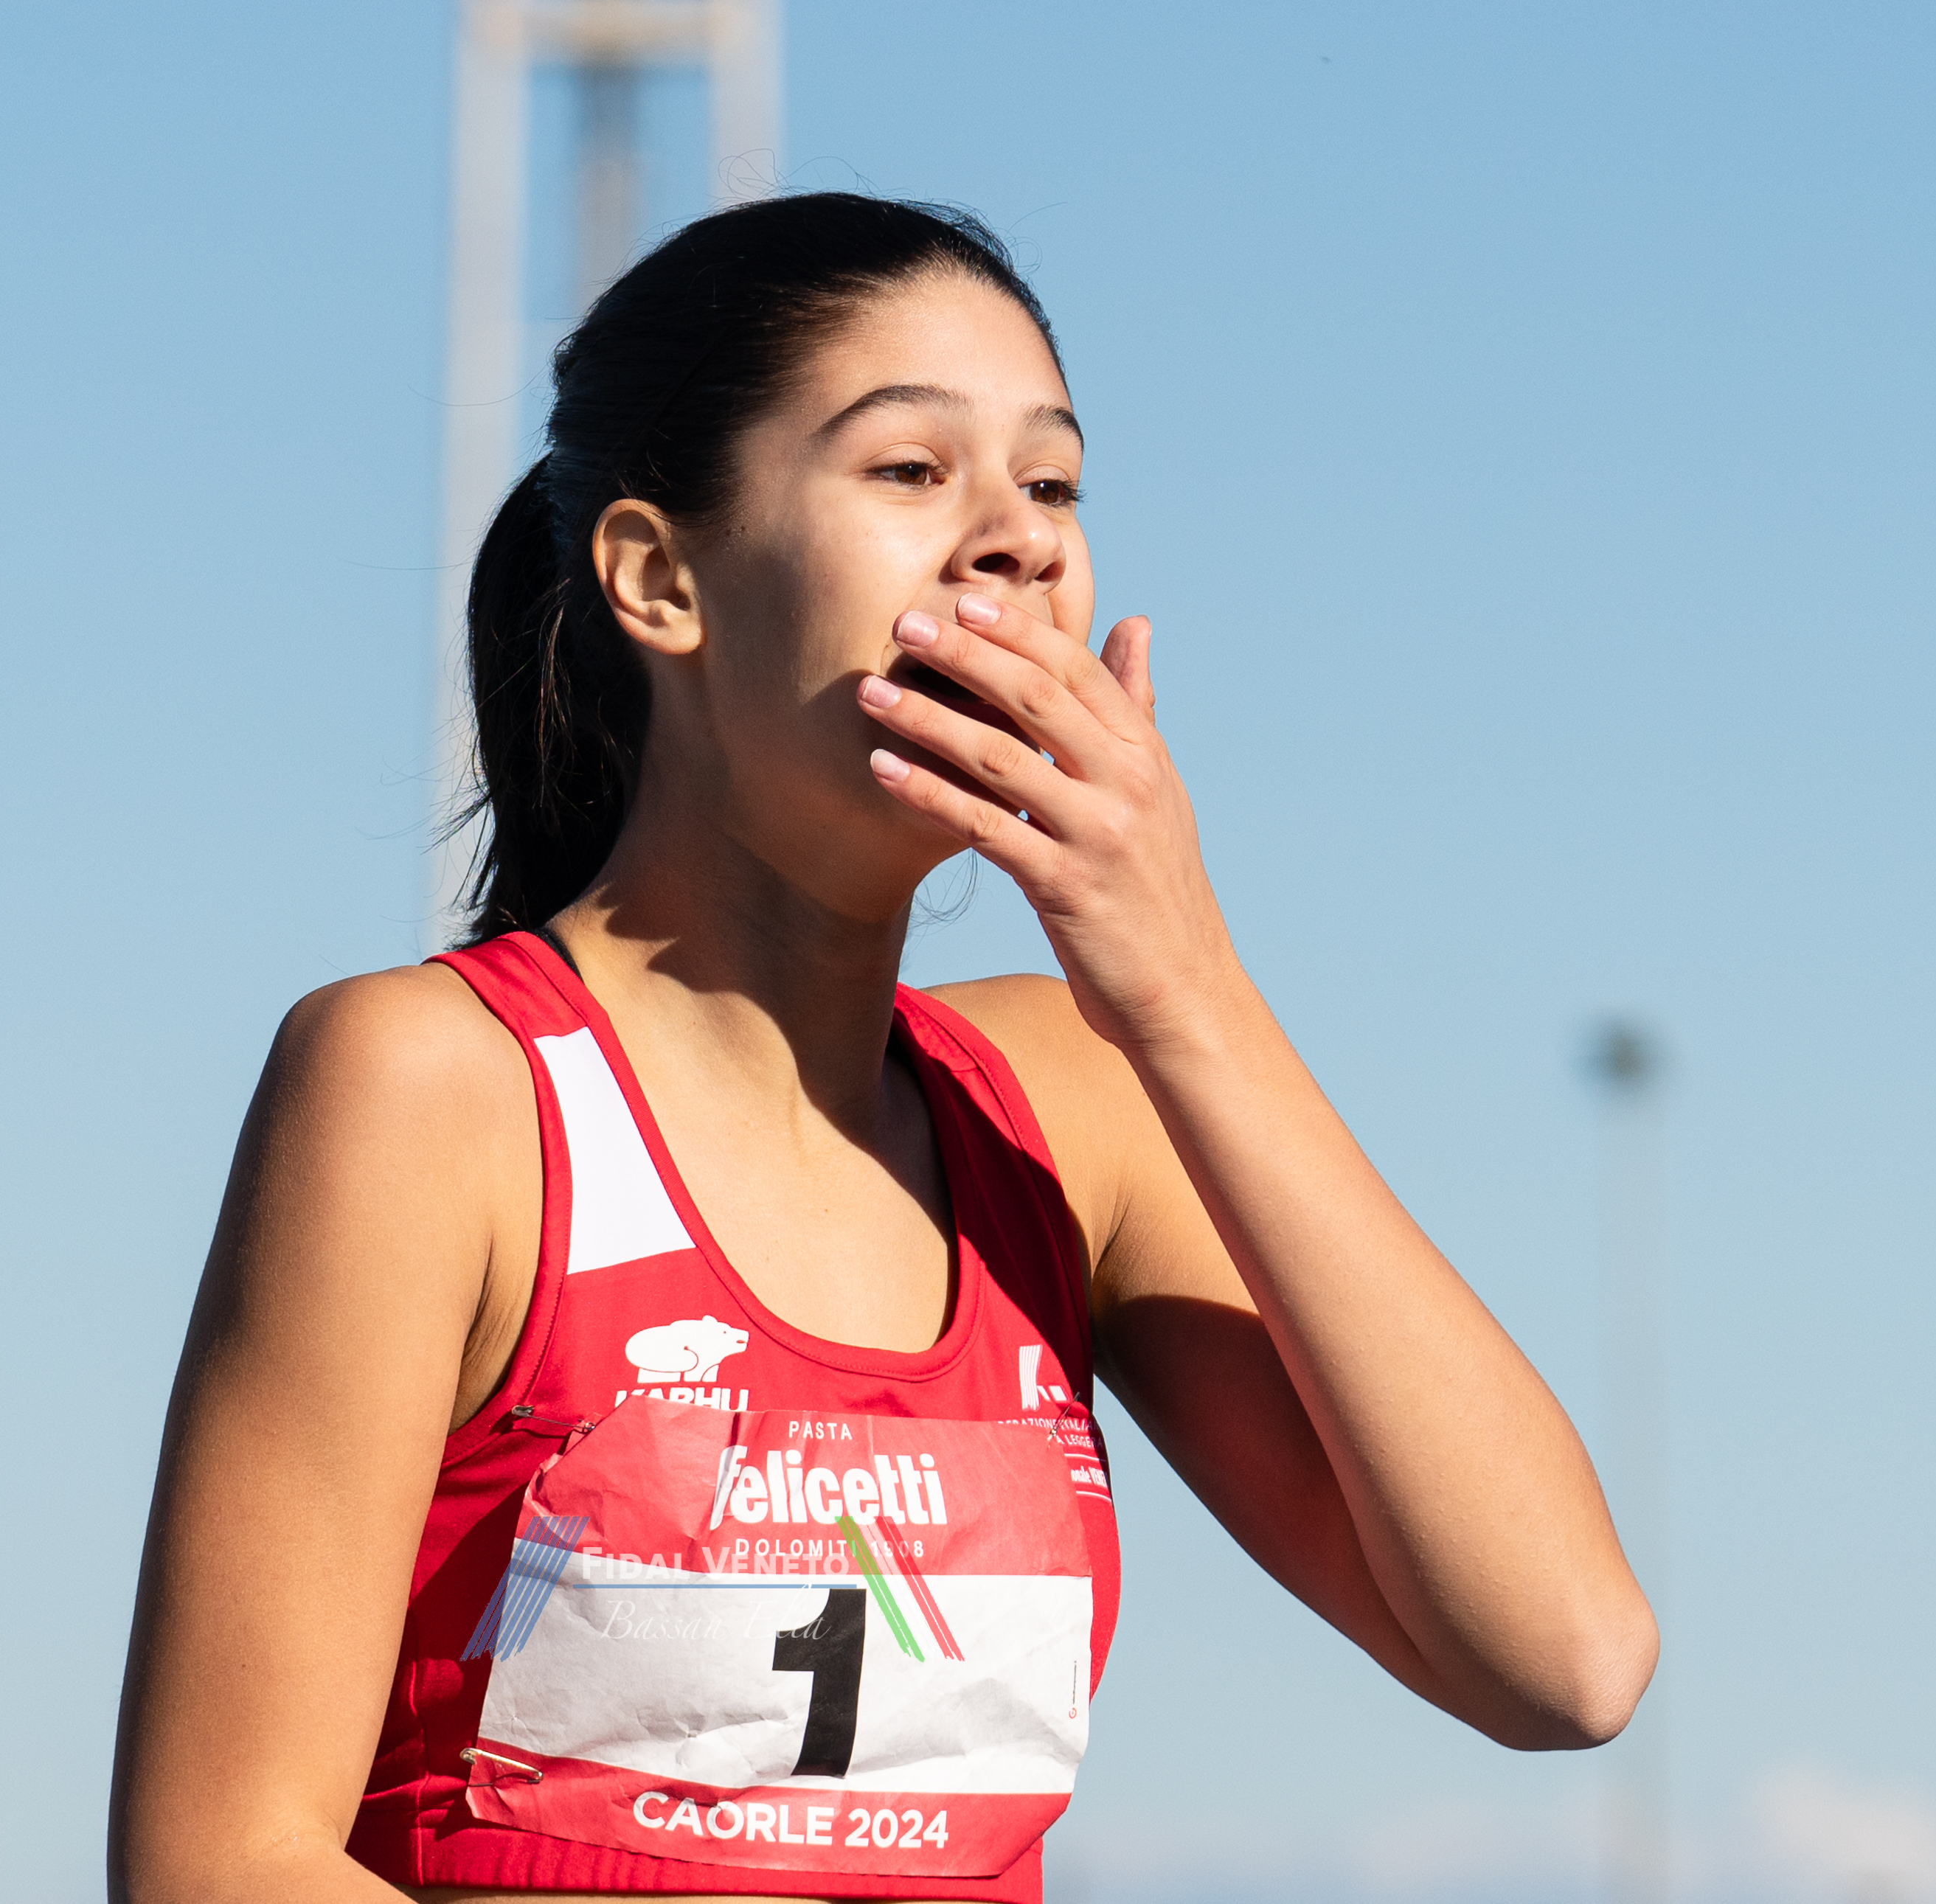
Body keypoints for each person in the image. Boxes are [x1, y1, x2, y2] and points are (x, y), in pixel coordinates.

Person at [108, 192, 1656, 1904]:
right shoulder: (436, 1086)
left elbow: (1563, 1659)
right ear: (659, 578)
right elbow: (216, 1859)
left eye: (1052, 484)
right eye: (911, 470)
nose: (1018, 543)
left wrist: (1187, 989)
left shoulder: (1069, 1100)